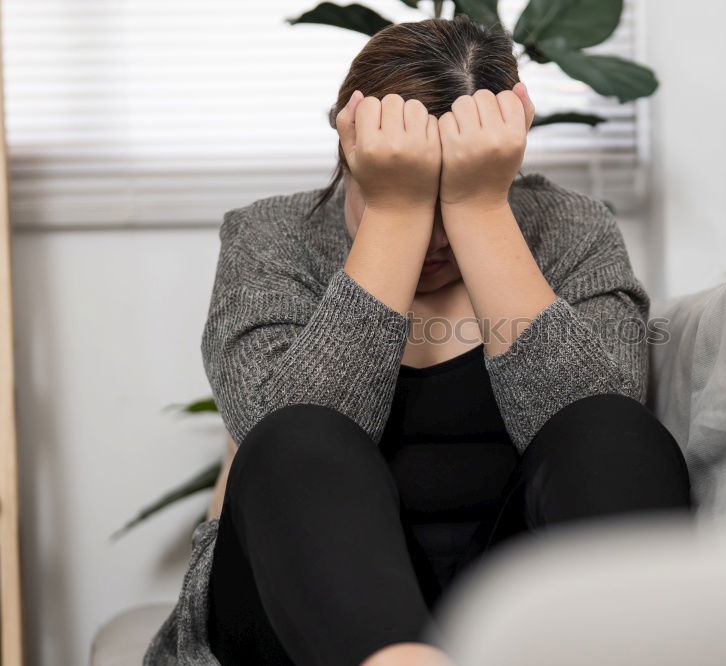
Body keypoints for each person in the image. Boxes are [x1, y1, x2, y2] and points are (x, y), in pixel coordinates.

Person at [144, 14, 691, 666]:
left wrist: (483, 211)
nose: (435, 238)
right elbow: (272, 441)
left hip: (515, 605)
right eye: (409, 189)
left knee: (609, 428)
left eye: (451, 194)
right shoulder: (271, 236)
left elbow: (603, 432)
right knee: (296, 434)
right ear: (350, 149)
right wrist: (392, 213)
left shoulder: (572, 231)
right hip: (296, 619)